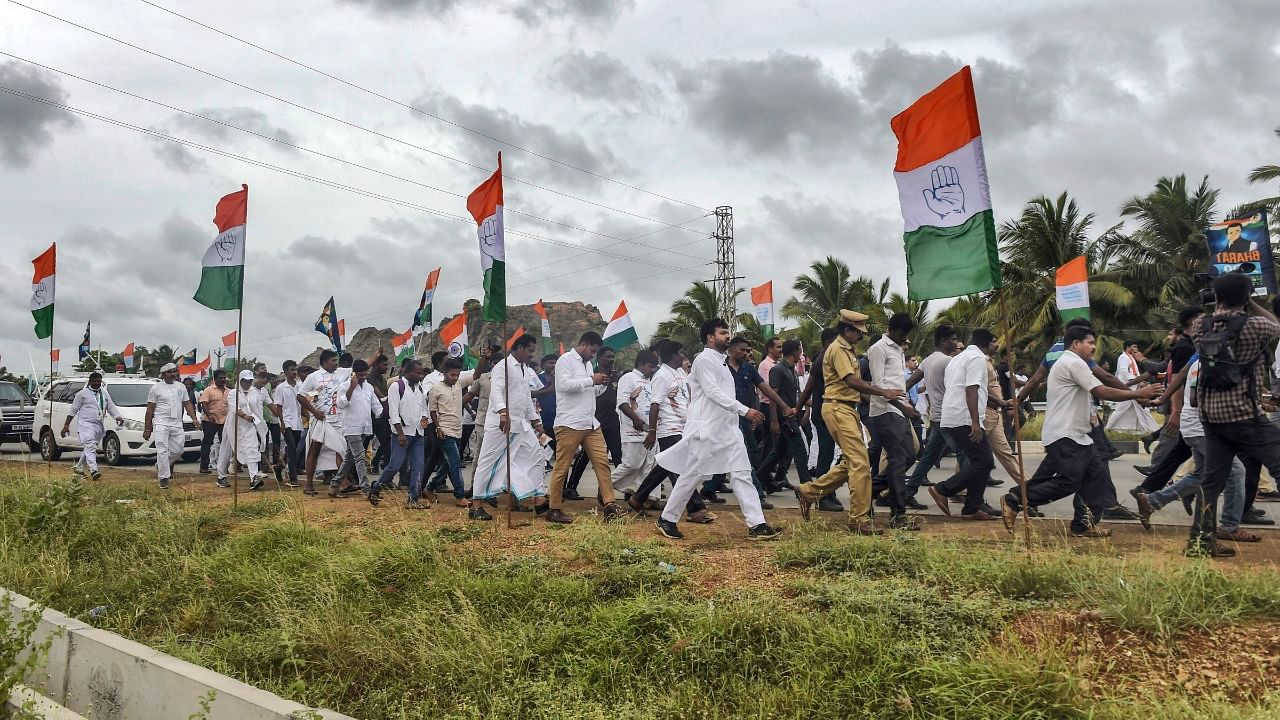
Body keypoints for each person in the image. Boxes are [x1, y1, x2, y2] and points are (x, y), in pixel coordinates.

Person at [1000, 325, 1162, 537]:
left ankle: (1083, 525)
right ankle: (1015, 500)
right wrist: (1138, 394)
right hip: (1064, 433)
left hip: (1077, 435)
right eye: (1090, 343)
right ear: (1076, 344)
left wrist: (1139, 395)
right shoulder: (1072, 362)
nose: (1094, 347)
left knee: (1096, 477)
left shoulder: (1075, 362)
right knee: (1070, 481)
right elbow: (1102, 390)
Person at [653, 319, 782, 541]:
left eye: (727, 332)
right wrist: (744, 411)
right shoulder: (704, 360)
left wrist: (739, 416)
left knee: (742, 474)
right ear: (710, 337)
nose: (727, 336)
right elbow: (712, 392)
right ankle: (667, 519)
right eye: (723, 332)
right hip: (706, 428)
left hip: (727, 429)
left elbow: (724, 396)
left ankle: (757, 525)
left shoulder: (721, 362)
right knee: (692, 475)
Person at [1183, 272, 1280, 556]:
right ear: (1246, 297)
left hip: (1211, 416)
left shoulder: (1201, 326)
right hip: (1244, 414)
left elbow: (1214, 318)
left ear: (1218, 297)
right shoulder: (1257, 325)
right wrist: (1252, 302)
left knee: (1211, 481)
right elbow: (1277, 325)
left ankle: (1199, 543)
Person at [794, 310, 905, 534]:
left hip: (845, 408)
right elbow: (852, 381)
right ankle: (859, 519)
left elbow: (854, 387)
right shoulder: (838, 349)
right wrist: (884, 392)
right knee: (860, 463)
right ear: (847, 330)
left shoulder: (846, 350)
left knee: (851, 462)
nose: (862, 336)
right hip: (838, 408)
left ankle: (809, 492)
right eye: (858, 332)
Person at [1135, 357, 1257, 542]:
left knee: (1200, 475)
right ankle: (1229, 526)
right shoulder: (1208, 364)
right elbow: (1196, 399)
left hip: (1198, 429)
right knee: (1235, 471)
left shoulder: (1206, 362)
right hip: (1202, 430)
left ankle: (1152, 501)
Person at [546, 332, 630, 523]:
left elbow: (591, 391)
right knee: (562, 467)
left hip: (590, 422)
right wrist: (592, 380)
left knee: (602, 463)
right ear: (583, 345)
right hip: (569, 423)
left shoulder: (586, 364)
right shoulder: (565, 361)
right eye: (592, 351)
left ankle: (609, 505)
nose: (593, 355)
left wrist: (601, 384)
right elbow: (565, 385)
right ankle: (554, 508)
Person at [626, 341, 712, 523]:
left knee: (666, 466)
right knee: (680, 467)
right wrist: (652, 431)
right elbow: (655, 404)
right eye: (681, 352)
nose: (684, 356)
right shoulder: (662, 376)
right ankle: (695, 508)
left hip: (683, 426)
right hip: (668, 428)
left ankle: (638, 497)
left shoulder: (680, 373)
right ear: (673, 356)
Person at [471, 334, 550, 521]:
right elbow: (497, 390)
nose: (532, 355)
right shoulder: (503, 367)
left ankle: (539, 500)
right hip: (502, 424)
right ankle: (476, 506)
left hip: (521, 424)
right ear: (520, 348)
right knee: (487, 463)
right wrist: (503, 412)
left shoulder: (524, 368)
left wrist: (536, 421)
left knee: (537, 456)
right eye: (530, 351)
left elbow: (525, 397)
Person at [927, 329, 1002, 520]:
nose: (998, 345)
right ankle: (943, 489)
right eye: (995, 341)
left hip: (952, 416)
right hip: (964, 418)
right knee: (984, 461)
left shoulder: (959, 358)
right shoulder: (977, 359)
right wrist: (975, 422)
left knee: (980, 462)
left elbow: (971, 388)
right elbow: (971, 390)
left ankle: (972, 508)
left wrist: (1000, 403)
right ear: (985, 343)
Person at [864, 313, 926, 527]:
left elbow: (897, 383)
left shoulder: (898, 349)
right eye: (902, 333)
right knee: (899, 460)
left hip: (899, 410)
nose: (904, 338)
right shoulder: (878, 349)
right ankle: (898, 514)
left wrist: (906, 406)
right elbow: (879, 386)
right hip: (885, 411)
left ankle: (867, 493)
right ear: (891, 329)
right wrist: (903, 406)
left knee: (909, 456)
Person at [903, 325, 961, 502]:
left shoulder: (928, 360)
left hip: (936, 415)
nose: (956, 343)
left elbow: (911, 382)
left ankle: (908, 491)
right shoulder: (948, 362)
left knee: (928, 458)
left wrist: (899, 397)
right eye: (953, 339)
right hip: (948, 417)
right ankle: (963, 494)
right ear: (944, 341)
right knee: (965, 455)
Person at [565, 344, 623, 500]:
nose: (611, 360)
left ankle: (625, 489)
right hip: (595, 420)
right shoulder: (592, 373)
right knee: (585, 456)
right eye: (608, 357)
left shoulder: (616, 376)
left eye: (612, 357)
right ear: (599, 358)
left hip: (612, 421)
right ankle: (571, 487)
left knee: (617, 455)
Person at [370, 359, 429, 508]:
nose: (420, 376)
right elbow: (393, 412)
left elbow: (423, 407)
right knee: (394, 465)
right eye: (418, 373)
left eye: (421, 373)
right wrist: (400, 434)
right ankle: (377, 486)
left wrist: (424, 418)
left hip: (417, 432)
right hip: (402, 433)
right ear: (407, 372)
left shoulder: (419, 388)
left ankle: (413, 498)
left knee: (418, 466)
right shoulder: (397, 387)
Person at [757, 339, 811, 495]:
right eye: (800, 350)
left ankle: (760, 477)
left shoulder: (791, 370)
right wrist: (774, 420)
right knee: (800, 450)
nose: (801, 354)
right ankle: (807, 486)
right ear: (795, 352)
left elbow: (799, 395)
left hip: (791, 415)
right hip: (783, 418)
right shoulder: (778, 370)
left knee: (779, 451)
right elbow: (772, 396)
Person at [797, 328, 841, 510]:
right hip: (824, 413)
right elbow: (808, 388)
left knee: (829, 454)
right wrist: (798, 408)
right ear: (827, 342)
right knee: (826, 455)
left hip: (824, 411)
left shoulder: (824, 358)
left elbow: (808, 388)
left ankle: (828, 492)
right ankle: (822, 496)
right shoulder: (824, 359)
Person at [297, 350, 346, 496]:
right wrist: (314, 412)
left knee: (340, 449)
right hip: (320, 420)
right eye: (333, 361)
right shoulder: (313, 377)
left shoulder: (340, 373)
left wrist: (375, 356)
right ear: (324, 362)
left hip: (336, 420)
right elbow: (300, 396)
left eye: (336, 361)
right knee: (314, 450)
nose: (336, 364)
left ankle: (340, 484)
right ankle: (309, 485)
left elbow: (361, 367)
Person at [428, 358, 476, 507]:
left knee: (448, 464)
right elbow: (432, 411)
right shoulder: (436, 388)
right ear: (444, 373)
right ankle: (460, 496)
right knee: (455, 462)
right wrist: (438, 428)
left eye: (457, 375)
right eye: (452, 375)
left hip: (458, 430)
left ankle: (430, 487)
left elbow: (476, 375)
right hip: (444, 431)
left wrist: (484, 359)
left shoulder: (459, 384)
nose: (455, 378)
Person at [143, 363, 199, 489]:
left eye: (174, 371)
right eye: (169, 372)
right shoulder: (156, 388)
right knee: (162, 449)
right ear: (163, 374)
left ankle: (162, 465)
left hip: (177, 423)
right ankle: (164, 477)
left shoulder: (181, 387)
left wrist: (194, 418)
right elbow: (150, 410)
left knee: (178, 450)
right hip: (161, 423)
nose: (172, 374)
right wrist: (147, 428)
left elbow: (187, 403)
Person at [612, 350, 658, 500]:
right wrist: (635, 419)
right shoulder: (628, 378)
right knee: (631, 464)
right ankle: (606, 485)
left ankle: (643, 498)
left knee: (647, 466)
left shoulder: (650, 381)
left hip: (649, 430)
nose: (652, 370)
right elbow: (622, 403)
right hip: (632, 430)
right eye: (650, 366)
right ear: (642, 364)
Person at [61, 371, 123, 481]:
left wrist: (117, 417)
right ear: (90, 382)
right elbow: (73, 410)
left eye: (99, 381)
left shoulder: (104, 393)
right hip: (85, 424)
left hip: (98, 425)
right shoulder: (82, 394)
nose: (97, 383)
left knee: (90, 447)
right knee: (90, 446)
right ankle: (94, 470)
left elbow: (111, 406)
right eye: (94, 381)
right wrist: (66, 425)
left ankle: (79, 468)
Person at [335, 359, 382, 498]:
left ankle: (333, 485)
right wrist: (351, 387)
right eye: (360, 375)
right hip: (351, 428)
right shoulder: (344, 386)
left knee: (349, 459)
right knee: (360, 457)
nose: (363, 377)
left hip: (365, 428)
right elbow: (341, 404)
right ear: (354, 373)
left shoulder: (369, 387)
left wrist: (383, 415)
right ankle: (366, 489)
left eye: (365, 375)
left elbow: (376, 406)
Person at [217, 369, 267, 491]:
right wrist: (244, 416)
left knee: (252, 449)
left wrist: (260, 426)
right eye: (245, 381)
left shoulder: (254, 393)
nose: (247, 383)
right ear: (240, 381)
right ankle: (221, 476)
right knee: (226, 450)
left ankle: (253, 478)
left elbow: (256, 410)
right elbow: (235, 408)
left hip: (249, 425)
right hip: (234, 424)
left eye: (250, 381)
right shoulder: (234, 393)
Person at [1106, 340, 1159, 434]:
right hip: (1126, 387)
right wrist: (1136, 381)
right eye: (1134, 347)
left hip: (1133, 387)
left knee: (1140, 409)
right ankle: (1109, 428)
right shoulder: (1123, 357)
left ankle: (1147, 429)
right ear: (1128, 347)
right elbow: (1123, 372)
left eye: (1136, 347)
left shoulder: (1131, 358)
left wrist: (1139, 382)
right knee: (1123, 409)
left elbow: (1136, 373)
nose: (1136, 349)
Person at [271, 360, 302, 488]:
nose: (294, 372)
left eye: (295, 369)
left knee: (292, 449)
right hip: (286, 421)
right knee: (293, 448)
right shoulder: (281, 388)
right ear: (285, 372)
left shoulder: (300, 386)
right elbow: (279, 406)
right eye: (291, 370)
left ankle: (279, 467)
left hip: (297, 421)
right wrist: (282, 422)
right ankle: (293, 478)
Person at [197, 369, 229, 473]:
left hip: (224, 421)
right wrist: (209, 415)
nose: (223, 380)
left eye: (224, 378)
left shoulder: (228, 391)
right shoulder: (208, 390)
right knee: (207, 443)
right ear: (215, 379)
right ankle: (204, 467)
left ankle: (224, 467)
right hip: (210, 421)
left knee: (224, 444)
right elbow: (204, 404)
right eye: (221, 378)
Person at [368, 353, 392, 473]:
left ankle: (376, 463)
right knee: (363, 445)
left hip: (381, 417)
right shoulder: (370, 378)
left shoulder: (382, 379)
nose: (386, 367)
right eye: (383, 365)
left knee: (387, 443)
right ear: (376, 364)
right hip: (371, 416)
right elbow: (378, 394)